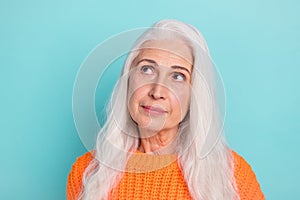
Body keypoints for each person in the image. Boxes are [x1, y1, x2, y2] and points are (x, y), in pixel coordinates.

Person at [67, 19, 264, 200]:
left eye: (177, 76)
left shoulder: (231, 175)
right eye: (146, 69)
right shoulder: (87, 173)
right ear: (127, 81)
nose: (158, 91)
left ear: (194, 95)